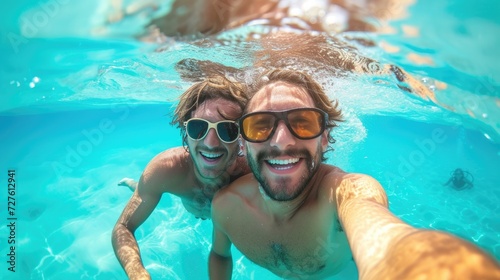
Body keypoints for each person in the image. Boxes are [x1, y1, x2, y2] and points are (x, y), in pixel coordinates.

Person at [209, 69, 500, 279]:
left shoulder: (346, 193)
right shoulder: (225, 206)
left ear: (323, 139)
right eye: (261, 125)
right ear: (243, 144)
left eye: (303, 122)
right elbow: (220, 255)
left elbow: (388, 242)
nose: (282, 141)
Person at [112, 75, 251, 280]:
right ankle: (134, 185)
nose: (211, 143)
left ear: (241, 137)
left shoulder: (251, 175)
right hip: (191, 205)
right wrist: (138, 274)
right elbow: (123, 227)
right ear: (185, 130)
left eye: (227, 130)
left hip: (220, 216)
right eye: (198, 127)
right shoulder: (166, 169)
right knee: (146, 187)